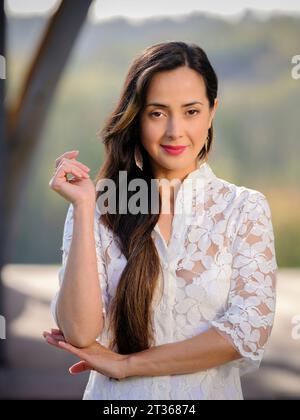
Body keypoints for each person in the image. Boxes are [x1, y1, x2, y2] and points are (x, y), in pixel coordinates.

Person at [44, 41, 277, 400]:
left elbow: (245, 332)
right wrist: (84, 208)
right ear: (136, 116)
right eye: (157, 113)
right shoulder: (99, 207)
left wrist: (127, 365)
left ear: (212, 112)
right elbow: (79, 333)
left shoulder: (243, 209)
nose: (174, 130)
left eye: (191, 112)